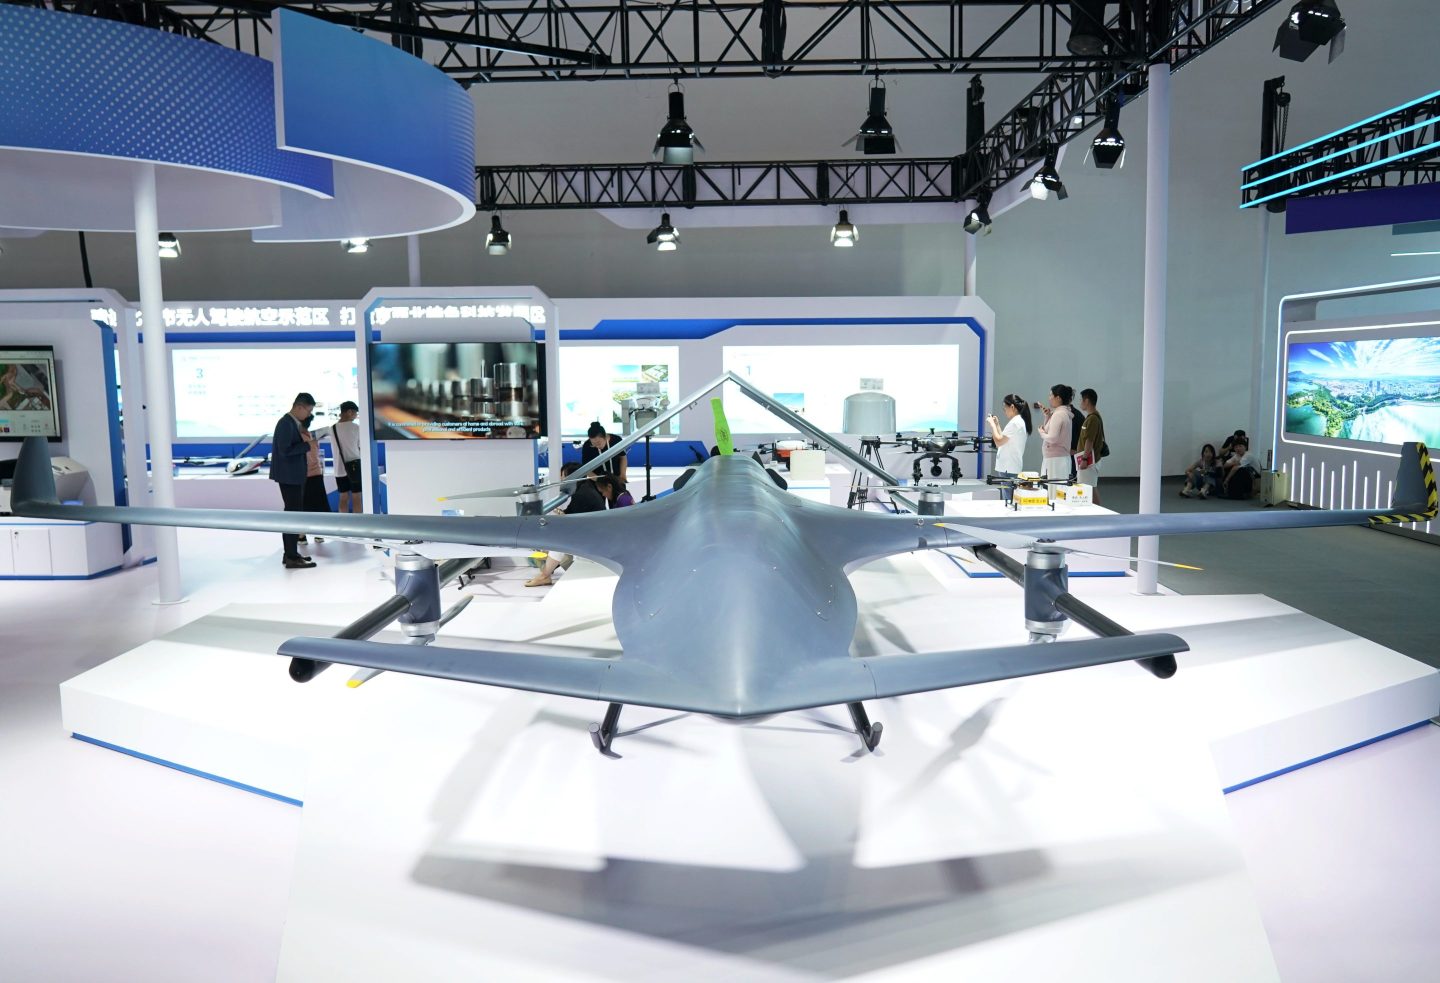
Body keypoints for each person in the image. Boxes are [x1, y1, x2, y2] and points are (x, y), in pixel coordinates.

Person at [525, 462, 608, 587]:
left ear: (571, 477)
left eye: (563, 476)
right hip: (593, 533)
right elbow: (572, 515)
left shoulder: (582, 494)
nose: (561, 480)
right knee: (558, 537)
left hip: (593, 537)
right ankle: (546, 573)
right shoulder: (585, 489)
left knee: (558, 539)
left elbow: (572, 521)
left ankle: (545, 575)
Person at [268, 392, 316, 568]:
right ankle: (291, 556)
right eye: (308, 410)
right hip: (289, 476)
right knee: (292, 515)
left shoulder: (290, 423)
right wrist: (307, 445)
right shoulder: (286, 424)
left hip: (292, 475)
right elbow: (285, 450)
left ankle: (291, 553)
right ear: (299, 407)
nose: (309, 414)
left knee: (293, 513)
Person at [313, 401, 363, 513]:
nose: (356, 416)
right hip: (355, 468)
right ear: (350, 412)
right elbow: (360, 447)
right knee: (357, 497)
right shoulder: (356, 428)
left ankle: (343, 524)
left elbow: (312, 435)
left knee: (343, 497)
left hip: (339, 470)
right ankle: (358, 524)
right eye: (355, 413)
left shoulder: (331, 428)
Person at [986, 393, 1032, 504]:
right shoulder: (1017, 421)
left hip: (1008, 467)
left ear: (1012, 407)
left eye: (1005, 408)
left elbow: (998, 442)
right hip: (1009, 466)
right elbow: (1004, 440)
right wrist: (997, 425)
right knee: (1009, 499)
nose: (1004, 411)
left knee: (1009, 501)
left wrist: (992, 425)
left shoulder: (1015, 422)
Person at [1035, 384, 1074, 496]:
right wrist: (1047, 416)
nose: (1049, 398)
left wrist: (1041, 433)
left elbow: (1052, 438)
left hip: (1055, 460)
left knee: (1054, 492)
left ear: (1058, 398)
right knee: (1057, 491)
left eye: (1051, 395)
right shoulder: (1062, 413)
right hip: (1058, 459)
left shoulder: (1059, 414)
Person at [299, 412, 332, 541]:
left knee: (303, 506)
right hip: (316, 474)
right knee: (318, 506)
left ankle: (301, 536)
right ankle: (319, 534)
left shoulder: (298, 437)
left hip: (304, 476)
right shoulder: (312, 435)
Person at [1075, 388, 1106, 504]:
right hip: (1088, 460)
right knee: (1090, 487)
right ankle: (1096, 512)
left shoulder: (1092, 419)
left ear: (1086, 401)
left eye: (1081, 400)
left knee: (1089, 488)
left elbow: (1089, 441)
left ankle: (1098, 513)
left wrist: (1084, 459)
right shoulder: (1093, 417)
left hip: (1088, 461)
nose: (1080, 403)